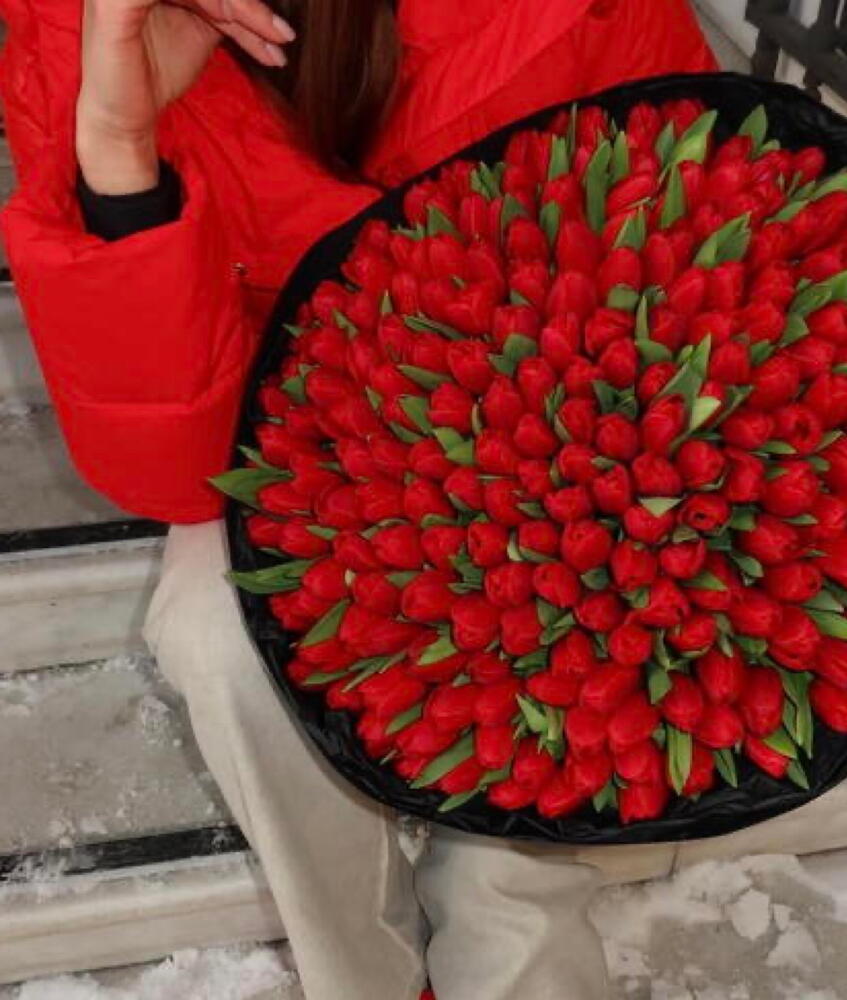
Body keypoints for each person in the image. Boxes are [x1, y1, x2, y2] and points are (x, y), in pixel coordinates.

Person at [0, 2, 716, 997]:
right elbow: (178, 469)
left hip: (565, 422)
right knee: (223, 637)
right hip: (290, 434)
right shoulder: (84, 19)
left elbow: (700, 258)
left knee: (589, 617)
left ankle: (510, 951)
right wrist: (122, 145)